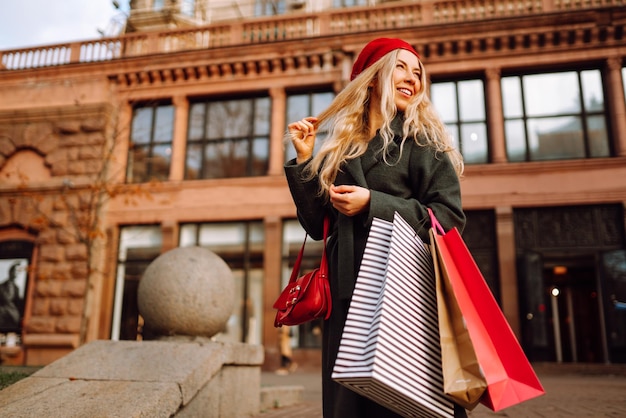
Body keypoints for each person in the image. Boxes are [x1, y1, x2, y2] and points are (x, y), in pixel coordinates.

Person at [284, 38, 466, 418]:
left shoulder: (424, 144)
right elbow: (318, 225)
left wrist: (372, 204)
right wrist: (305, 161)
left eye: (418, 72)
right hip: (346, 291)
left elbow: (447, 217)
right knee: (349, 402)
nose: (412, 78)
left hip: (401, 294)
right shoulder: (343, 147)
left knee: (405, 396)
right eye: (400, 67)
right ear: (372, 78)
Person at [0, 262, 23, 330]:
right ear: (10, 272)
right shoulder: (1, 286)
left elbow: (18, 303)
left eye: (18, 271)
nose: (16, 273)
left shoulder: (17, 288)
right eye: (15, 271)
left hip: (13, 316)